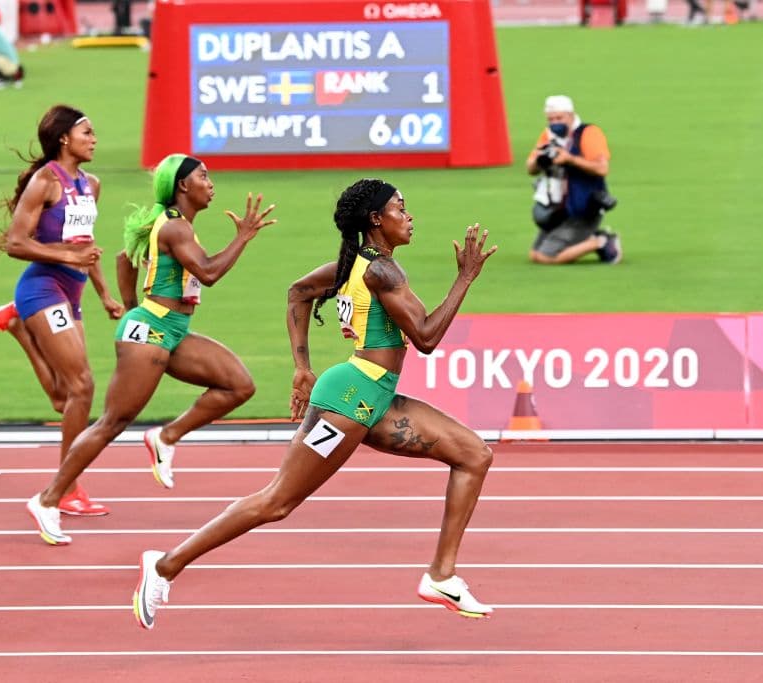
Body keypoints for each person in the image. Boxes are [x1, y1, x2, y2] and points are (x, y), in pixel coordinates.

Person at [132, 178, 498, 630]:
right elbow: (424, 337)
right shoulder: (382, 272)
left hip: (374, 396)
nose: (409, 217)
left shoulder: (353, 265)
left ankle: (441, 576)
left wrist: (302, 367)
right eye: (400, 208)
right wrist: (465, 278)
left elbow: (299, 292)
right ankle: (164, 565)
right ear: (376, 219)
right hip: (348, 400)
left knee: (474, 455)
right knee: (276, 501)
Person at [24, 153, 277, 546]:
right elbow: (208, 273)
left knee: (238, 385)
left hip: (171, 329)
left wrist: (130, 307)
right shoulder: (175, 228)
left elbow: (125, 259)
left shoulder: (175, 225)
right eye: (203, 177)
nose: (211, 184)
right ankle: (48, 499)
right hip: (152, 331)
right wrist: (242, 237)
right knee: (112, 423)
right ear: (183, 186)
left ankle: (166, 437)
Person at [0, 104, 124, 517]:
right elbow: (15, 243)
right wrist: (66, 256)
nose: (94, 139)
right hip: (42, 288)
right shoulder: (44, 182)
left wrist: (105, 294)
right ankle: (66, 489)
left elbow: (86, 245)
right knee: (83, 386)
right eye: (87, 133)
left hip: (71, 293)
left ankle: (18, 327)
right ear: (64, 139)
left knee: (65, 397)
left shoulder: (91, 184)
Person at [527, 95, 622, 265]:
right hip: (558, 211)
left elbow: (602, 168)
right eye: (551, 119)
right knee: (534, 254)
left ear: (570, 115)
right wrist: (539, 160)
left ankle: (601, 242)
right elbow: (530, 169)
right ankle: (590, 240)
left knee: (546, 257)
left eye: (559, 118)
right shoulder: (549, 136)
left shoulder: (588, 133)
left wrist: (570, 160)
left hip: (583, 211)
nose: (555, 123)